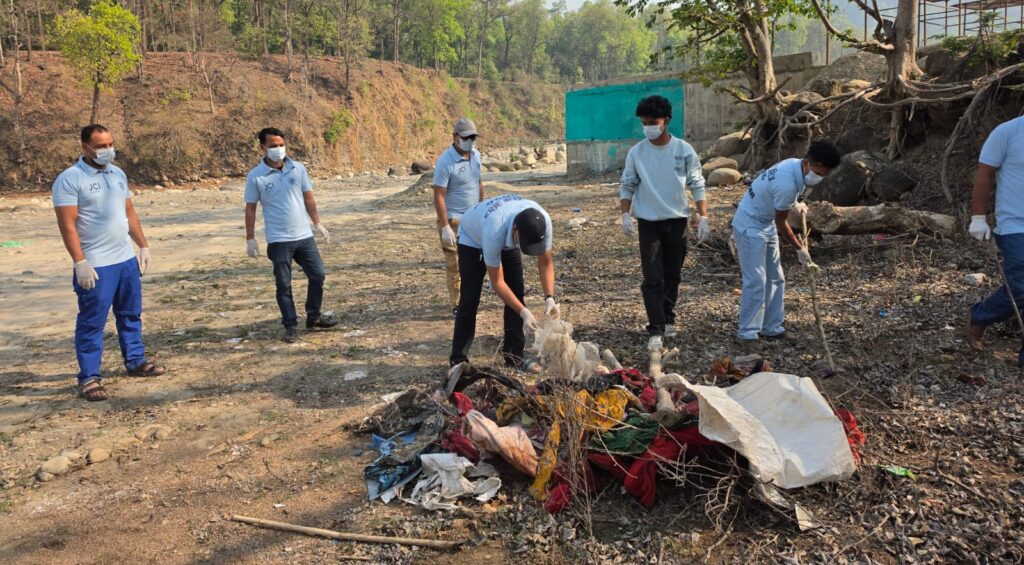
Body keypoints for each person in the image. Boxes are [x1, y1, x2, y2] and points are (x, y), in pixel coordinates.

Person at [52, 124, 166, 401]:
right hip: (97, 264)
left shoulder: (118, 174)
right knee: (93, 322)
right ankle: (90, 377)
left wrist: (143, 245)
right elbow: (67, 225)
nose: (107, 150)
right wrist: (80, 262)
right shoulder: (70, 179)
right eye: (101, 146)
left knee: (130, 314)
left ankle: (136, 361)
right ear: (85, 148)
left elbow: (129, 212)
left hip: (125, 259)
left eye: (110, 144)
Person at [731, 140, 841, 351]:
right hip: (750, 225)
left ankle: (772, 327)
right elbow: (782, 222)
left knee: (776, 277)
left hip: (765, 221)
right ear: (810, 163)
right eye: (821, 172)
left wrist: (795, 205)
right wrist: (800, 248)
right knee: (756, 280)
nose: (822, 177)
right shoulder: (787, 183)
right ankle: (747, 333)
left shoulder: (794, 164)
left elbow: (778, 204)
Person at [620, 95, 709, 343]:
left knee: (673, 274)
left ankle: (668, 317)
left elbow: (697, 183)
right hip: (649, 223)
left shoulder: (683, 150)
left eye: (653, 121)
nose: (648, 126)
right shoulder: (637, 153)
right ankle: (656, 325)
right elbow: (627, 184)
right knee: (652, 276)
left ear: (666, 121)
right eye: (644, 122)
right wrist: (625, 213)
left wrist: (703, 216)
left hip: (677, 221)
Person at [244, 127, 337, 343]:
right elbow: (250, 208)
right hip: (279, 240)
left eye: (281, 145)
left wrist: (318, 223)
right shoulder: (256, 176)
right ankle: (290, 325)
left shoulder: (298, 169)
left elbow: (309, 198)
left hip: (304, 236)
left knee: (318, 275)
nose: (278, 149)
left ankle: (313, 317)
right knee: (284, 284)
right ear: (263, 148)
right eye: (273, 146)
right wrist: (250, 238)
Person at [450, 194, 559, 371]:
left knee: (516, 293)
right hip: (473, 238)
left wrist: (549, 297)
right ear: (515, 229)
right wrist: (524, 312)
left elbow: (546, 261)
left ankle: (514, 357)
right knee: (470, 299)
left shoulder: (542, 221)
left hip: (506, 235)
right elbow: (497, 282)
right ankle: (458, 359)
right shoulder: (495, 229)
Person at [966, 115, 1024, 365]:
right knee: (1021, 285)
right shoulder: (1008, 132)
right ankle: (981, 315)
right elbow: (985, 175)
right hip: (1015, 224)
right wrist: (978, 217)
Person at [434, 118, 484, 314]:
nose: (470, 141)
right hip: (453, 220)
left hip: (473, 219)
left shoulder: (476, 156)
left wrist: (481, 210)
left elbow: (479, 183)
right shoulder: (445, 162)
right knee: (454, 265)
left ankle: (470, 299)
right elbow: (439, 195)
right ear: (455, 137)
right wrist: (445, 226)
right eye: (466, 137)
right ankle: (458, 305)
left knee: (472, 264)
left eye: (473, 137)